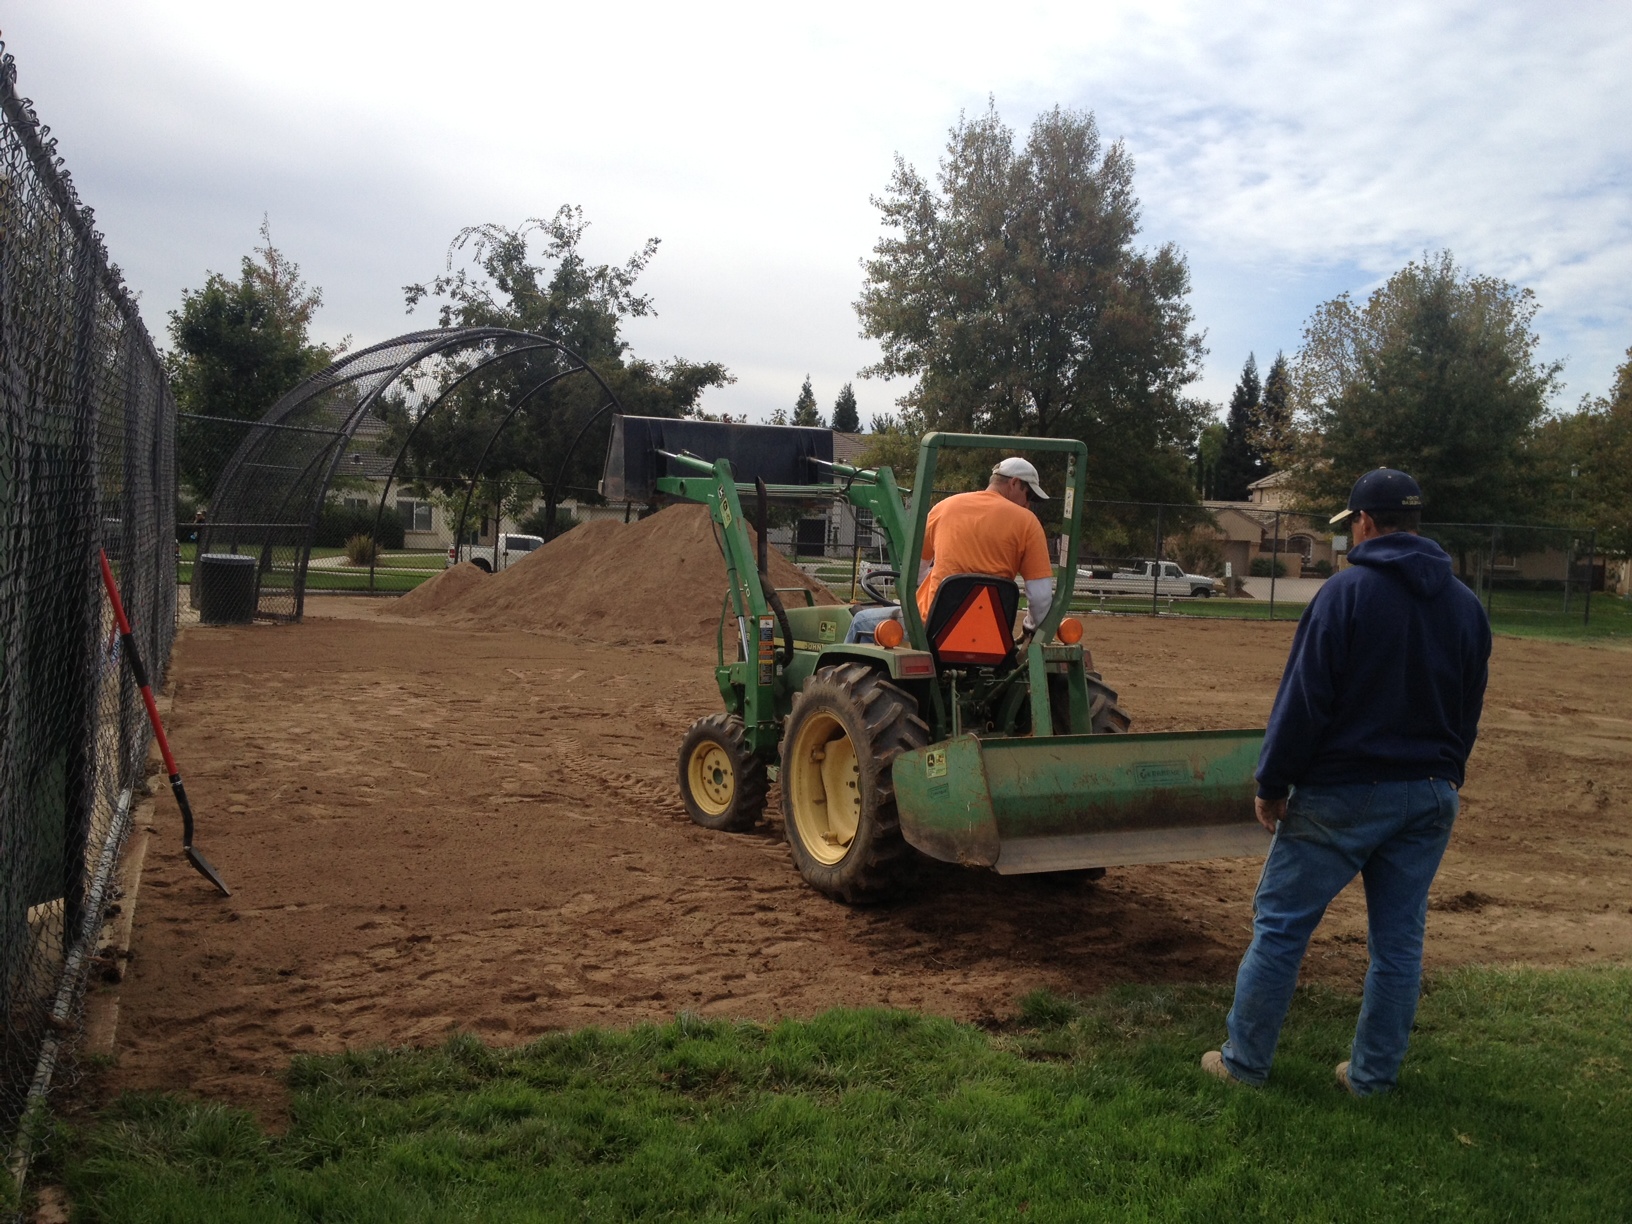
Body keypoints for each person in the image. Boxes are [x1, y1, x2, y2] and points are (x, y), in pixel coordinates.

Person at [1202, 468, 1491, 1097]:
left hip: (1342, 792)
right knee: (1398, 944)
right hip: (1429, 793)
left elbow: (1305, 701)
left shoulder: (1345, 594)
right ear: (1414, 524)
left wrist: (1273, 782)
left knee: (1280, 927)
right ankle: (1372, 1078)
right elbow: (1468, 708)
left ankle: (1244, 1064)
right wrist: (1446, 775)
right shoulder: (1466, 605)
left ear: (1363, 523)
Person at [846, 456, 1055, 643]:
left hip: (933, 626)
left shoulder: (944, 508)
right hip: (991, 633)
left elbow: (914, 572)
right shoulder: (1029, 523)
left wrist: (939, 581)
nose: (1028, 505)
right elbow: (1040, 596)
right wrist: (1030, 628)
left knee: (861, 621)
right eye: (1029, 496)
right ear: (1014, 483)